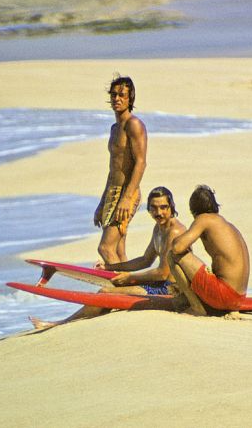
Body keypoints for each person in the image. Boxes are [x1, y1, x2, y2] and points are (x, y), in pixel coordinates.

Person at [29, 187, 185, 330]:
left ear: (171, 207)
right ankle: (67, 321)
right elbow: (145, 260)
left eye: (164, 207)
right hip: (160, 284)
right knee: (112, 285)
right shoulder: (159, 228)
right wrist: (109, 268)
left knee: (105, 292)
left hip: (171, 291)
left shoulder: (174, 232)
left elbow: (162, 273)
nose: (159, 212)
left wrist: (129, 277)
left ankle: (57, 324)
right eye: (154, 208)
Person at [169, 185, 250, 312]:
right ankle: (195, 299)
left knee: (172, 255)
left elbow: (177, 248)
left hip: (225, 296)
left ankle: (196, 306)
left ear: (193, 210)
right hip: (240, 298)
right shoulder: (228, 225)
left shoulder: (204, 219)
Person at [94, 75, 147, 265]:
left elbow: (141, 162)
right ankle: (127, 288)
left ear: (130, 97)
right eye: (113, 94)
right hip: (112, 192)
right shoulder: (115, 128)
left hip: (127, 193)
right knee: (118, 250)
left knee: (105, 248)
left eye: (121, 95)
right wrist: (102, 203)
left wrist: (127, 197)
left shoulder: (134, 125)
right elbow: (113, 168)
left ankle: (121, 289)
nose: (117, 98)